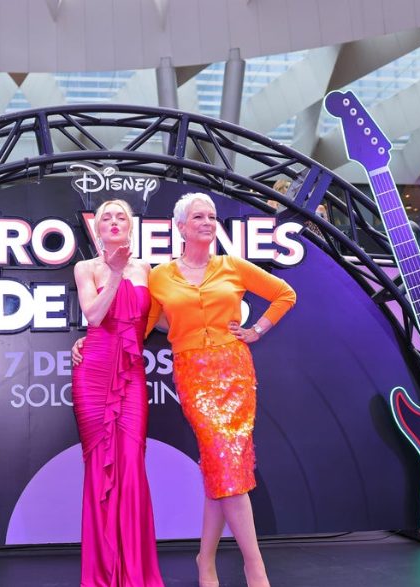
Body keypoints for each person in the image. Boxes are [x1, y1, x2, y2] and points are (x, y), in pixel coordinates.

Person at [73, 193, 296, 587]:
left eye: (211, 216)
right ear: (181, 226)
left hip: (235, 373)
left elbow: (285, 294)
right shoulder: (161, 276)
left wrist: (257, 330)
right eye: (198, 217)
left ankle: (206, 561)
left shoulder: (232, 266)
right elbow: (136, 326)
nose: (207, 222)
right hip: (193, 376)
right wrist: (93, 343)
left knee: (221, 468)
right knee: (223, 463)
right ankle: (255, 569)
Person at [71, 199, 165, 587]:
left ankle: (135, 573)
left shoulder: (146, 269)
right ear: (97, 229)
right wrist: (112, 273)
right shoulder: (86, 268)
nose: (113, 222)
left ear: (130, 226)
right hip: (93, 375)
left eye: (120, 217)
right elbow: (94, 315)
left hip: (130, 375)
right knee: (99, 470)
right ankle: (102, 575)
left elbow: (155, 319)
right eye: (106, 217)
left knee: (131, 466)